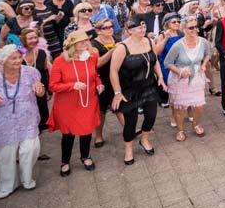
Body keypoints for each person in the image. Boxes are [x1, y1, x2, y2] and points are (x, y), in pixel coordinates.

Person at [0, 45, 45, 198]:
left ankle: (27, 179)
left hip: (28, 120)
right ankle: (8, 185)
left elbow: (41, 94)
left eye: (19, 57)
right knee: (5, 155)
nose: (18, 61)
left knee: (31, 149)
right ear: (2, 61)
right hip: (3, 124)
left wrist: (40, 89)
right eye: (13, 58)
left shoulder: (31, 73)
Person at [110, 15, 166, 165]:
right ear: (129, 31)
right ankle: (128, 149)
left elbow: (154, 62)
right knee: (131, 121)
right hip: (129, 89)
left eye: (143, 27)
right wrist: (117, 92)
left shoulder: (149, 41)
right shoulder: (122, 47)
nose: (142, 30)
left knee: (151, 115)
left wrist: (160, 77)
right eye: (138, 28)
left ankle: (145, 139)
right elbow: (113, 71)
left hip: (148, 86)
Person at [48, 31, 103, 176]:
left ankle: (85, 156)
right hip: (68, 105)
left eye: (86, 41)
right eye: (80, 42)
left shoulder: (92, 57)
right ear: (72, 45)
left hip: (88, 100)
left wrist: (99, 84)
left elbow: (95, 75)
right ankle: (65, 161)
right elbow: (53, 86)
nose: (84, 44)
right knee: (68, 134)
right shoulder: (60, 61)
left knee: (86, 130)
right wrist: (72, 86)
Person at [163, 14, 213, 139]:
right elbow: (167, 63)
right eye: (191, 28)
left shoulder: (203, 42)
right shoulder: (178, 45)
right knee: (180, 108)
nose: (195, 30)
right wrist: (180, 72)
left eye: (196, 27)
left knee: (199, 106)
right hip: (179, 80)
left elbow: (208, 54)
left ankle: (196, 124)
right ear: (184, 30)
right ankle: (180, 130)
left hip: (196, 78)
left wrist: (204, 64)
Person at [90, 19, 117, 148]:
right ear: (98, 31)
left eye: (111, 26)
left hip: (116, 78)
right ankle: (99, 135)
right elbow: (97, 63)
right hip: (102, 79)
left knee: (120, 106)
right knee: (101, 111)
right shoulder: (94, 44)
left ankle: (130, 130)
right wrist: (111, 51)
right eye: (105, 28)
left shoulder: (115, 39)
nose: (110, 29)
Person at [19, 28, 50, 133]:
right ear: (23, 39)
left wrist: (47, 90)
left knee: (40, 122)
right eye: (30, 38)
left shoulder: (41, 53)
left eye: (35, 37)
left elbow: (45, 72)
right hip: (22, 94)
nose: (34, 40)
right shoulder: (18, 53)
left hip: (39, 92)